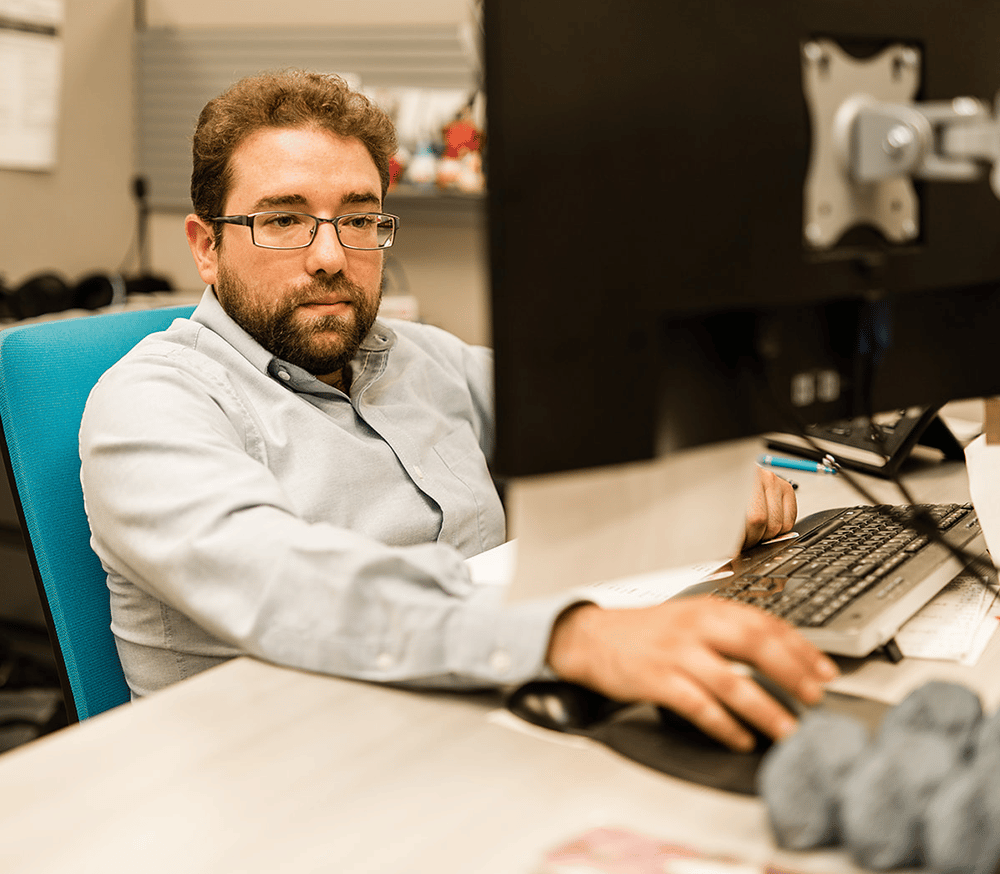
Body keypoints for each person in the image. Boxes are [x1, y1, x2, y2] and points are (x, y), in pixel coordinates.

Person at [79, 70, 837, 753]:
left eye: (359, 217)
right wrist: (574, 639)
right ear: (206, 247)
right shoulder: (149, 406)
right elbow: (288, 584)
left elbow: (595, 422)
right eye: (282, 220)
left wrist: (703, 474)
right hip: (280, 779)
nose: (331, 256)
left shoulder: (418, 360)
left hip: (478, 720)